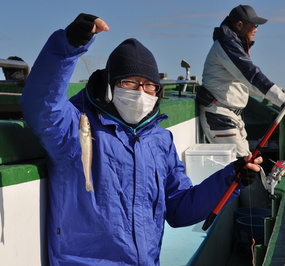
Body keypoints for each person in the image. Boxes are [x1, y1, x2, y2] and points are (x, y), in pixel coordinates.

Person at [20, 13, 263, 265]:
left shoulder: (161, 139)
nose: (141, 92)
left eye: (149, 86)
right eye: (130, 82)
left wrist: (231, 179)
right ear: (110, 85)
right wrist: (68, 46)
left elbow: (180, 209)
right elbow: (41, 105)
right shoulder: (76, 126)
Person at [197, 5, 285, 157]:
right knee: (242, 169)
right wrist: (283, 100)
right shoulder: (227, 45)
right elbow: (252, 76)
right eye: (254, 25)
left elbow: (245, 82)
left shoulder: (231, 44)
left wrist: (281, 92)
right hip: (220, 117)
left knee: (244, 166)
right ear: (239, 25)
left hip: (230, 117)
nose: (256, 29)